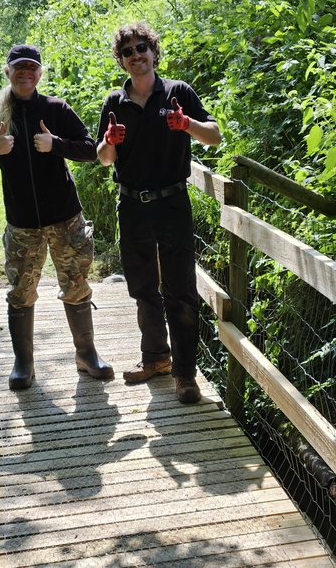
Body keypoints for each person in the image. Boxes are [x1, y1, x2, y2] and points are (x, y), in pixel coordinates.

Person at [0, 44, 113, 390]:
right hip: (22, 224)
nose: (25, 72)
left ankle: (87, 354)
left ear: (39, 73)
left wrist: (56, 144)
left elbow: (91, 150)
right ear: (7, 72)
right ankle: (24, 363)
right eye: (18, 67)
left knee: (77, 286)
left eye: (32, 68)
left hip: (66, 218)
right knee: (20, 293)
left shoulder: (55, 108)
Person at [96, 22, 221, 404]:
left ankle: (185, 374)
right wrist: (109, 142)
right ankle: (155, 359)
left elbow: (214, 135)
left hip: (172, 203)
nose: (136, 56)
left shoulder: (178, 92)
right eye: (128, 52)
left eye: (142, 48)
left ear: (154, 52)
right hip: (131, 205)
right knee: (142, 288)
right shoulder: (114, 103)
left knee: (181, 291)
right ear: (122, 61)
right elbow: (103, 159)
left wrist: (187, 124)